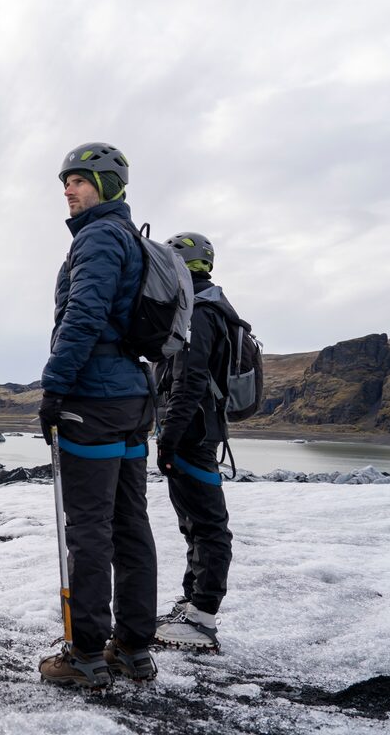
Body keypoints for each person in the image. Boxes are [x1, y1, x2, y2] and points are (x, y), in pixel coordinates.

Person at [37, 143, 158, 688]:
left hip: (96, 401)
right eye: (65, 182)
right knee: (130, 524)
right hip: (132, 398)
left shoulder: (99, 237)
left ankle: (84, 654)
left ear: (108, 186)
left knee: (89, 529)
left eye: (81, 181)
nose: (68, 189)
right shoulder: (129, 236)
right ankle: (133, 648)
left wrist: (54, 389)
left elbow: (83, 315)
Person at [153, 233, 234, 652]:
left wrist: (168, 439)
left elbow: (189, 382)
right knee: (195, 523)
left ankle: (202, 619)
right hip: (199, 431)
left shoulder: (198, 313)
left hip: (192, 434)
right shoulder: (208, 306)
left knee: (206, 524)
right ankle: (191, 604)